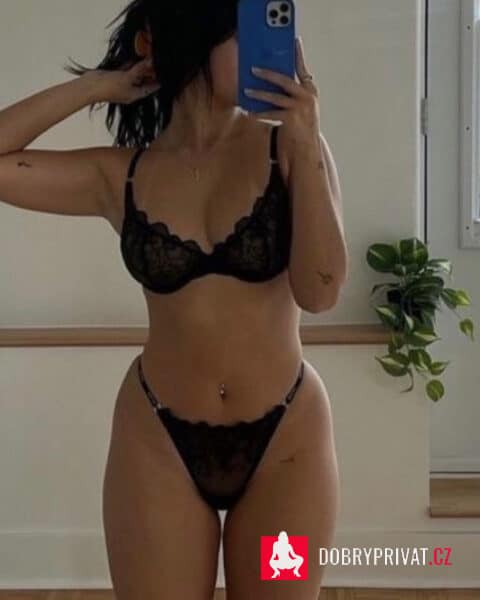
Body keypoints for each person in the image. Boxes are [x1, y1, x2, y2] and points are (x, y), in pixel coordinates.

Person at [0, 0, 348, 598]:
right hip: (158, 440)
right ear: (192, 40)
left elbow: (320, 292)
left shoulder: (289, 149)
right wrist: (96, 87)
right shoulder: (122, 175)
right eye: (239, 33)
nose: (263, 49)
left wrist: (307, 137)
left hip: (286, 445)